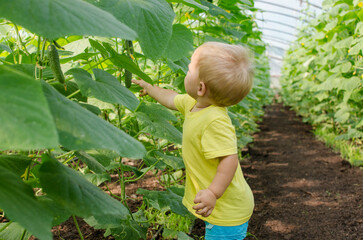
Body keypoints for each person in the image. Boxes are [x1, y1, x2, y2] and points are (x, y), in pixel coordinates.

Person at [132, 41, 254, 240]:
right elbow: (171, 98)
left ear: (200, 87)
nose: (185, 74)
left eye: (189, 70)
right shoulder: (194, 103)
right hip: (216, 205)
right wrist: (149, 88)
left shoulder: (215, 121)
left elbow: (229, 159)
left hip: (227, 209)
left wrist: (213, 193)